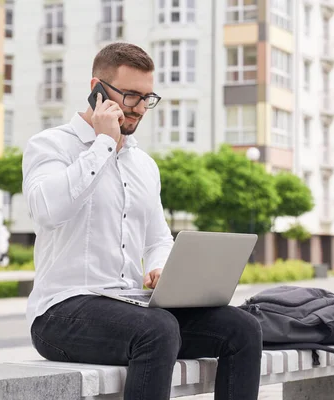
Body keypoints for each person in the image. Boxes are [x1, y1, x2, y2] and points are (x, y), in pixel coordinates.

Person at [21, 43, 263, 400]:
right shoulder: (50, 145)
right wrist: (104, 142)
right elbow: (46, 209)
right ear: (97, 89)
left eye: (147, 98)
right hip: (60, 314)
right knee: (158, 329)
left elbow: (158, 239)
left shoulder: (144, 165)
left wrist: (161, 267)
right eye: (131, 95)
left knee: (242, 328)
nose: (139, 108)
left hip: (132, 307)